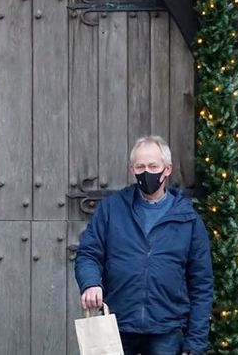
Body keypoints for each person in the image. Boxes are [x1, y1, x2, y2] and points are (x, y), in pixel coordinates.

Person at [75, 136, 213, 355]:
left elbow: (201, 284)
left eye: (153, 166)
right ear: (132, 169)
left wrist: (195, 344)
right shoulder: (112, 208)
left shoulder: (188, 219)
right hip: (118, 325)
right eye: (140, 166)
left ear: (167, 169)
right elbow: (88, 254)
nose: (146, 172)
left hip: (167, 330)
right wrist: (90, 283)